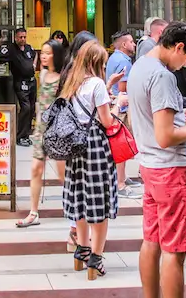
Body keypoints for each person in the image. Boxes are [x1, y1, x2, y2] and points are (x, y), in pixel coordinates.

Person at [129, 22, 186, 298]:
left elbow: (149, 117)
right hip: (171, 169)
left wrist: (181, 116)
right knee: (175, 249)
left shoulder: (140, 66)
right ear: (178, 47)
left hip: (150, 166)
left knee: (152, 240)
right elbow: (165, 136)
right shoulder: (162, 76)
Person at [61, 40, 118, 281]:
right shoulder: (97, 84)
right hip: (95, 145)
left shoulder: (72, 83)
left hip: (76, 146)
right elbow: (107, 121)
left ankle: (81, 250)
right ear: (98, 62)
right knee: (99, 200)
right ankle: (96, 257)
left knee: (80, 198)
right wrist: (118, 105)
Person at [15, 39, 66, 228]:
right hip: (41, 131)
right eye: (42, 52)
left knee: (63, 174)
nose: (43, 56)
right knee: (36, 169)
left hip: (58, 132)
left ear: (56, 55)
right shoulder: (43, 74)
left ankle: (77, 209)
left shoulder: (64, 78)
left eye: (48, 53)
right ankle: (33, 212)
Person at [57, 30, 97, 252]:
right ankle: (80, 238)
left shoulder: (68, 71)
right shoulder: (82, 75)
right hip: (84, 139)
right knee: (87, 189)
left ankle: (76, 234)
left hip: (71, 138)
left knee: (76, 187)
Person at [105, 29, 140, 198]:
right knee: (121, 146)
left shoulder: (114, 58)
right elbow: (122, 88)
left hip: (114, 105)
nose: (134, 44)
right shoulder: (124, 61)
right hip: (121, 108)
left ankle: (122, 177)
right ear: (124, 44)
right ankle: (120, 183)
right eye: (132, 42)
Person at [0, 27, 37, 147]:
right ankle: (19, 136)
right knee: (26, 108)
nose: (23, 39)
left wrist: (34, 64)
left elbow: (35, 55)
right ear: (16, 37)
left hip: (32, 82)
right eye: (20, 37)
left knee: (32, 108)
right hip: (20, 82)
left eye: (24, 37)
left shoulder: (29, 48)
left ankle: (26, 135)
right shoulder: (11, 49)